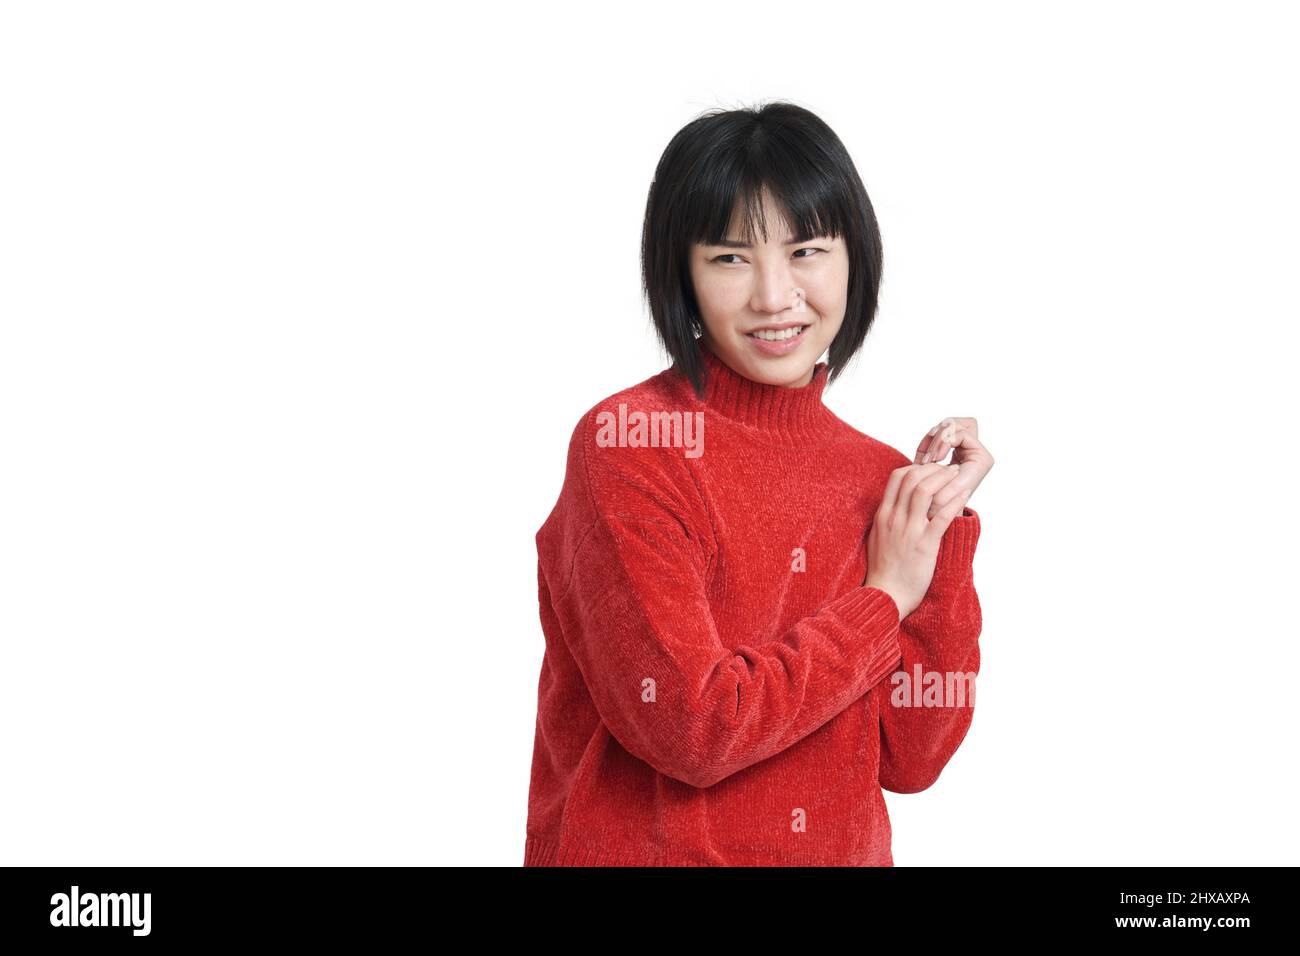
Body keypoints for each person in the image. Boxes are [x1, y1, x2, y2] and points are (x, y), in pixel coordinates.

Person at [523, 101, 995, 866]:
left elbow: (915, 760)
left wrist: (939, 529)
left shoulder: (877, 476)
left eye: (807, 249)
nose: (775, 297)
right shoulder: (632, 445)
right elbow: (694, 727)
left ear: (855, 259)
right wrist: (883, 601)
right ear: (681, 273)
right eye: (730, 257)